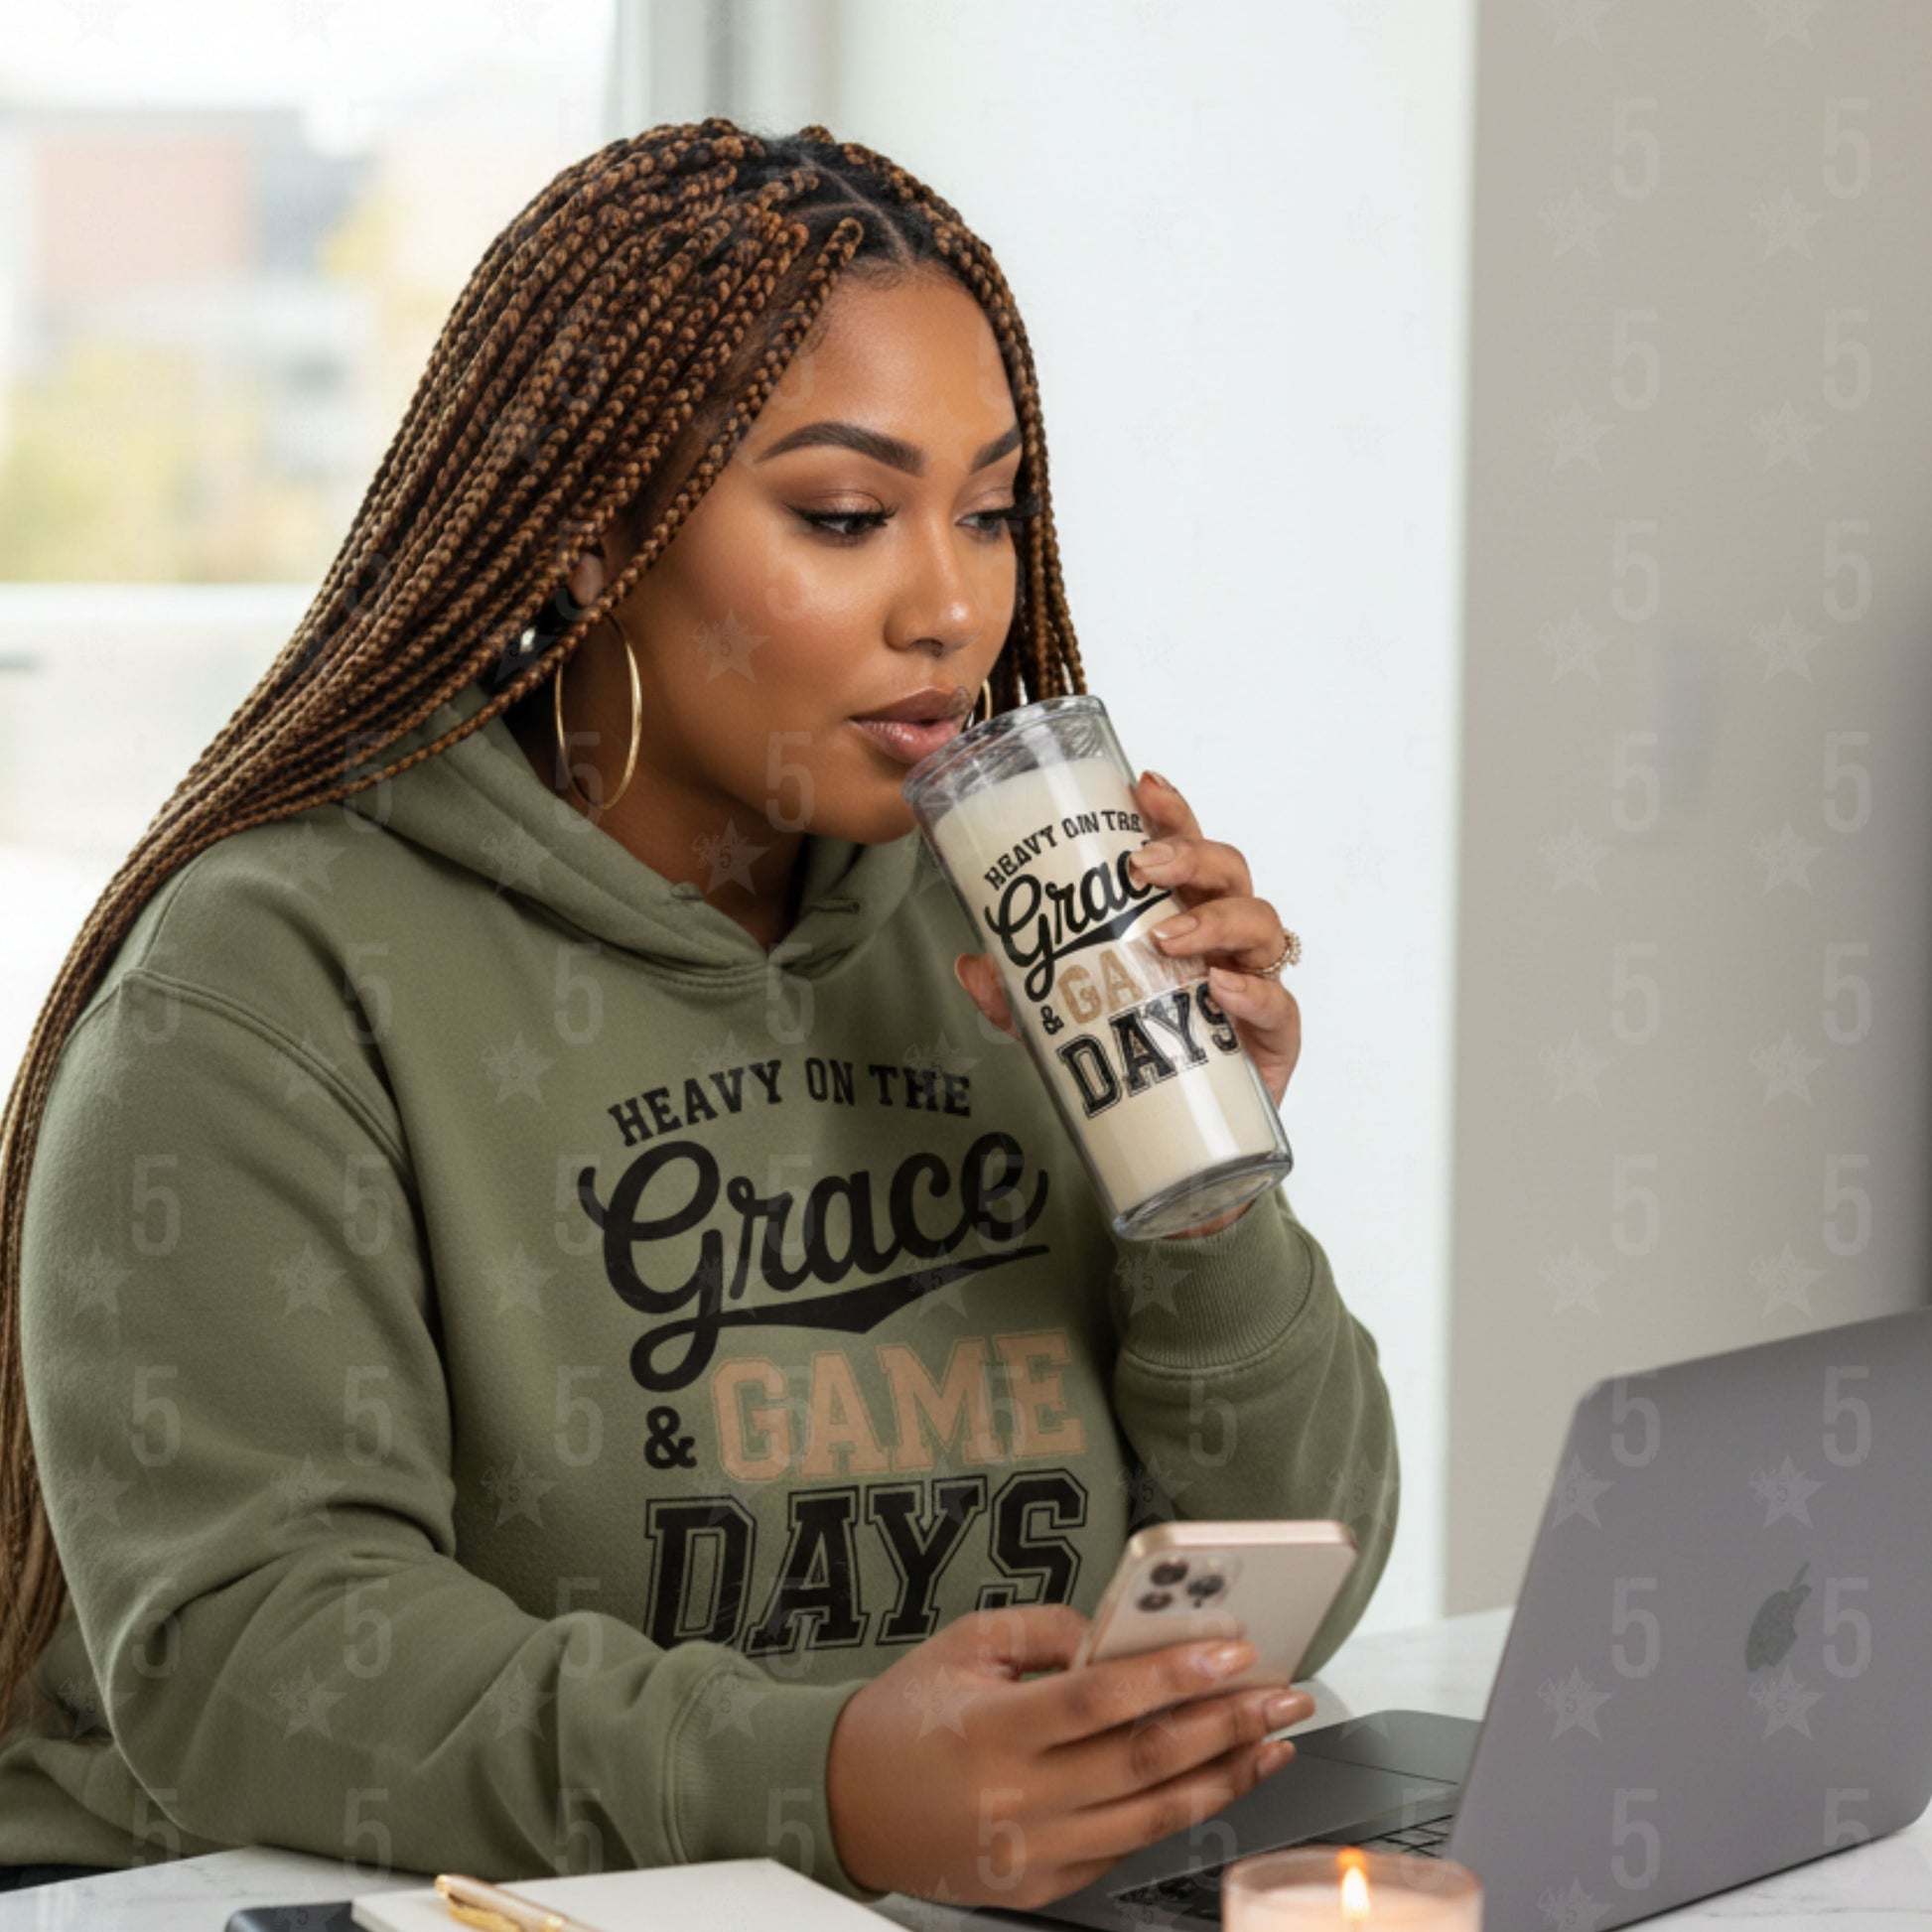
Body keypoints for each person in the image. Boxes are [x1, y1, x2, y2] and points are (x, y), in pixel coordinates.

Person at [0, 119, 1399, 1910]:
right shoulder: (269, 981)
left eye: (987, 510)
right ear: (591, 537)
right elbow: (258, 1653)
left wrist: (1194, 1166)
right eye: (842, 515)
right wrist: (811, 1782)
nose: (955, 604)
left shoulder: (1016, 928)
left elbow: (1296, 1570)